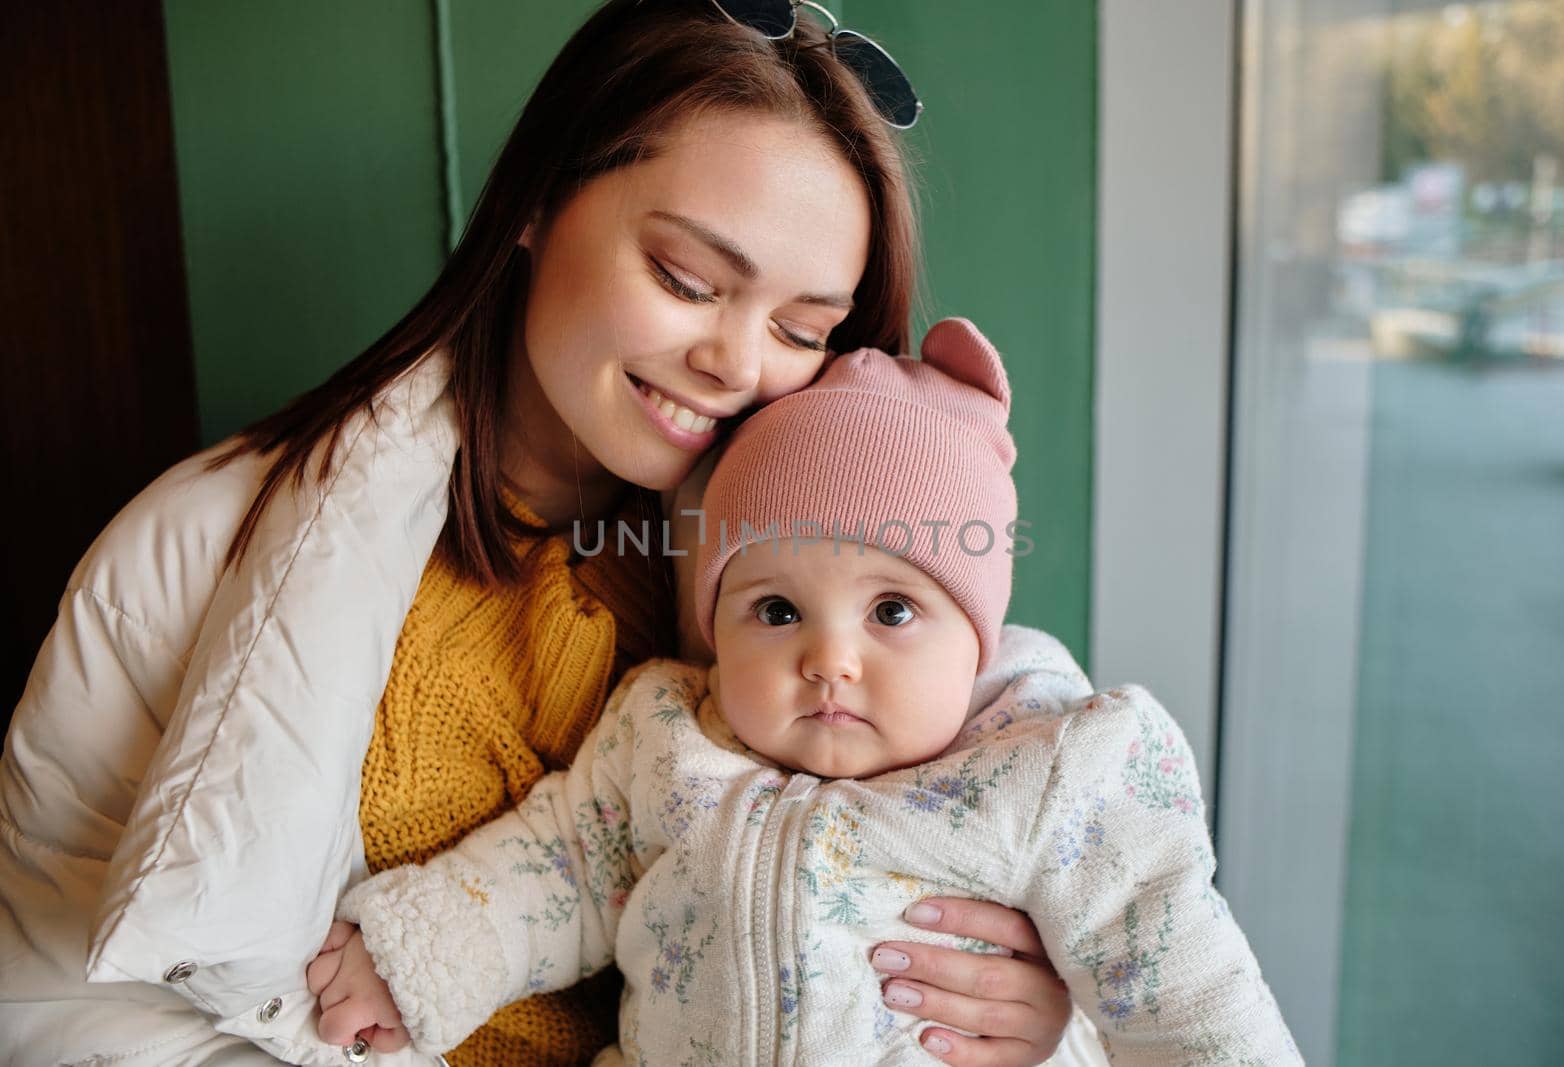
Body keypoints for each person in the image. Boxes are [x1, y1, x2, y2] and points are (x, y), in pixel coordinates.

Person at [0, 3, 1077, 1065]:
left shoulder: (822, 567)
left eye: (803, 328)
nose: (740, 364)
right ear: (537, 203)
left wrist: (1029, 1010)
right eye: (687, 281)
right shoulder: (190, 552)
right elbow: (67, 1004)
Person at [305, 319, 1302, 1065]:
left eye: (894, 611)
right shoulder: (665, 738)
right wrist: (416, 954)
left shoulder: (1048, 770)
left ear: (977, 637)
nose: (829, 657)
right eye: (776, 609)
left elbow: (1179, 974)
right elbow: (551, 869)